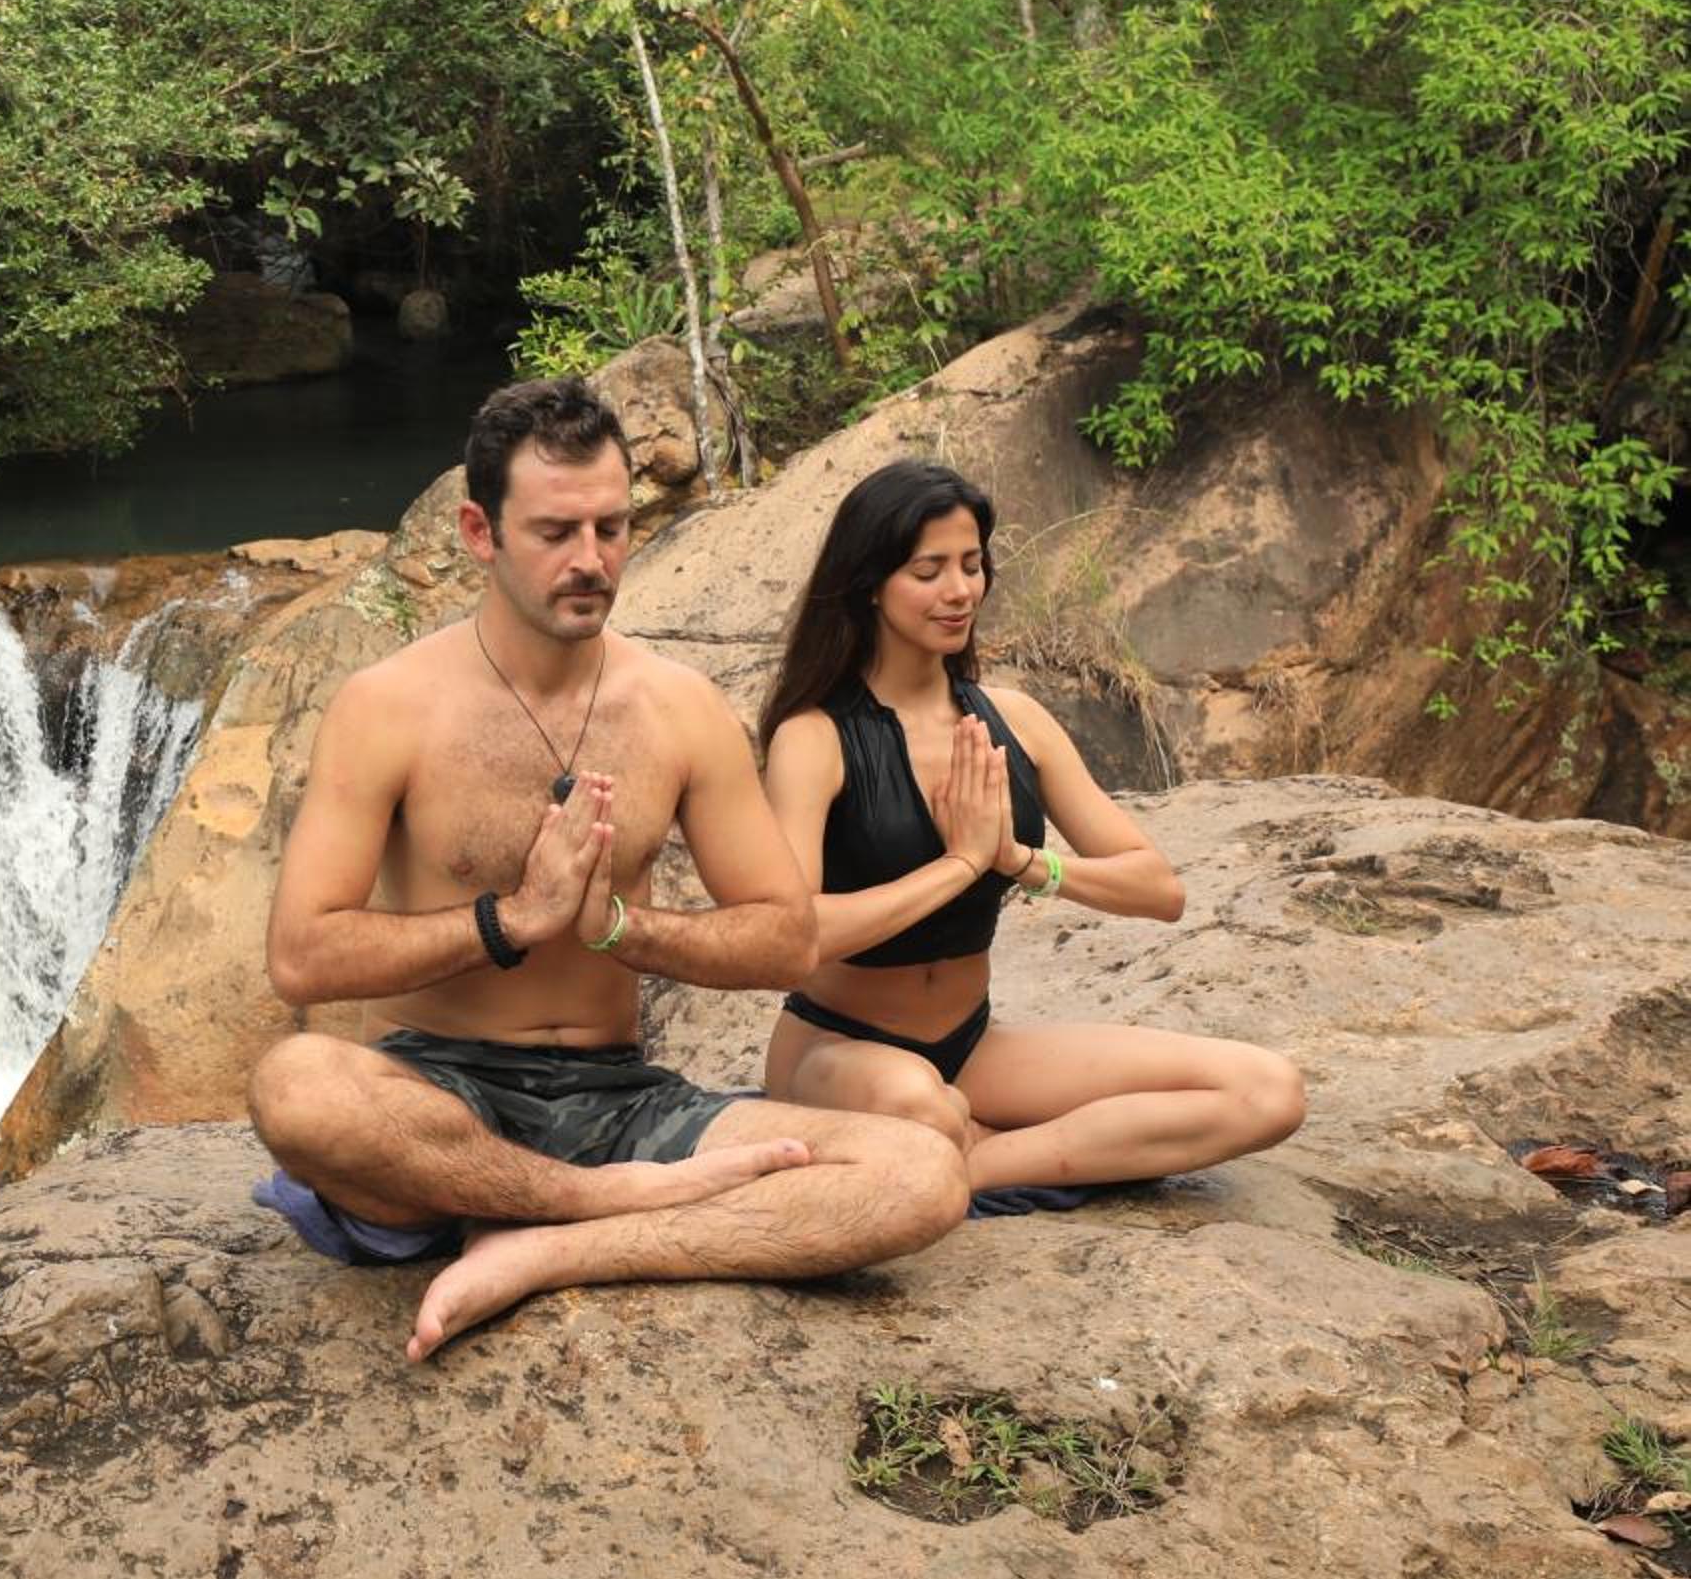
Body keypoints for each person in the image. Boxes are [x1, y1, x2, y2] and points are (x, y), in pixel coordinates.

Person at [247, 380, 970, 1362]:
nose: (590, 559)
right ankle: (595, 1202)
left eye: (611, 528)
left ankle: (549, 1247)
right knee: (297, 1087)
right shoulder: (388, 706)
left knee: (923, 1171)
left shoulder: (678, 708)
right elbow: (302, 955)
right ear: (479, 531)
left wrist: (623, 929)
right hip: (438, 1096)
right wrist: (509, 919)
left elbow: (785, 937)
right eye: (555, 532)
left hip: (623, 1098)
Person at [755, 459, 1305, 1207]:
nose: (960, 591)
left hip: (972, 1046)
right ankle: (984, 1145)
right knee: (921, 1106)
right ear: (870, 584)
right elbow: (792, 937)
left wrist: (1020, 860)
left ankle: (975, 1159)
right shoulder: (814, 738)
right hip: (835, 1048)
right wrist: (958, 866)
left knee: (1267, 1091)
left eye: (972, 565)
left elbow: (1159, 891)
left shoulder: (1017, 721)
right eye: (929, 571)